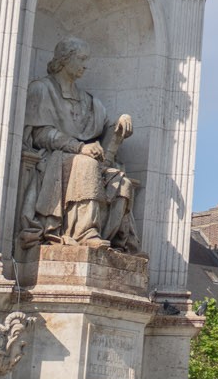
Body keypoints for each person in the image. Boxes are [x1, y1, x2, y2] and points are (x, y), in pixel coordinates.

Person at [17, 37, 139, 251]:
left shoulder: (88, 101)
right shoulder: (42, 89)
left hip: (82, 157)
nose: (85, 65)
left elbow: (105, 131)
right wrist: (79, 147)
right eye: (81, 59)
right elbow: (40, 134)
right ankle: (84, 233)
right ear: (65, 59)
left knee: (122, 183)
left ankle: (117, 243)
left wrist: (120, 126)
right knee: (86, 165)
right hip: (52, 158)